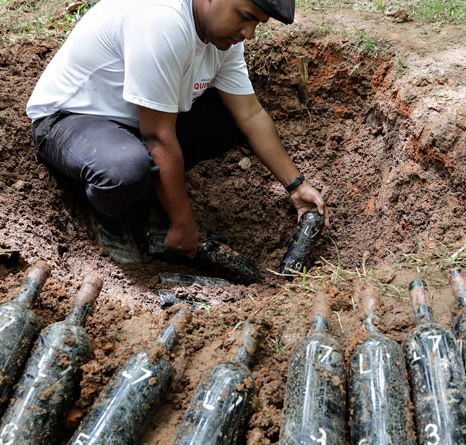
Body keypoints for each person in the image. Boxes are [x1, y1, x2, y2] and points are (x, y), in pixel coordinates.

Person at [26, 0, 327, 265]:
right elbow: (158, 137)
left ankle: (154, 208)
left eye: (257, 24)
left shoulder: (221, 38)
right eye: (245, 16)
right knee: (125, 169)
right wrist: (184, 225)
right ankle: (112, 215)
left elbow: (250, 114)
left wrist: (296, 186)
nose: (248, 33)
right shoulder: (161, 20)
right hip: (73, 118)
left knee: (229, 117)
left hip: (139, 122)